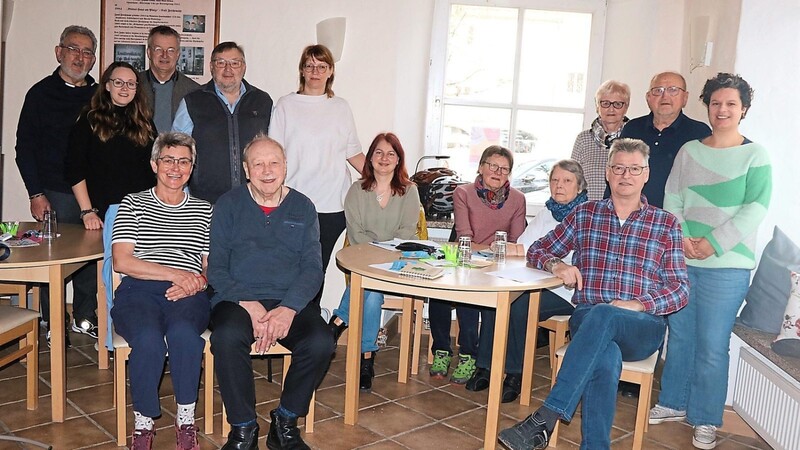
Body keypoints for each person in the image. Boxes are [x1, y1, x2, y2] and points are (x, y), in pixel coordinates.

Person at [498, 138, 689, 450]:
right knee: (605, 351)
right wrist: (557, 265)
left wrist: (638, 304)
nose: (626, 175)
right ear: (608, 174)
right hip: (589, 318)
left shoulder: (665, 223)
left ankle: (545, 417)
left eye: (634, 169)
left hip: (641, 326)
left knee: (606, 314)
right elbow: (539, 249)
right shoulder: (585, 214)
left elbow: (680, 290)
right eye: (618, 168)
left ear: (646, 174)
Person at [650, 73, 772, 450]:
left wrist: (714, 244)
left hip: (728, 268)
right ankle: (673, 402)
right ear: (707, 106)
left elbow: (755, 209)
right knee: (680, 336)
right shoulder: (689, 151)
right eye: (716, 103)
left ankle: (705, 418)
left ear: (744, 110)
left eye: (731, 104)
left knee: (713, 345)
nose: (722, 110)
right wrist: (684, 239)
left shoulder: (756, 155)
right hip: (684, 260)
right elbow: (673, 198)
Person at [208, 135, 333, 450]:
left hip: (288, 299)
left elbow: (312, 269)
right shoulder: (228, 204)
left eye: (274, 162)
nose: (267, 170)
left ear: (286, 166)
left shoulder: (303, 206)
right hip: (237, 299)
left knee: (321, 342)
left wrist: (289, 309)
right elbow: (217, 269)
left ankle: (285, 421)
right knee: (225, 337)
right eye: (258, 163)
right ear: (246, 170)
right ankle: (244, 428)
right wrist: (249, 306)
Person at [110, 132, 213, 450]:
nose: (176, 167)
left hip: (188, 294)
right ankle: (143, 423)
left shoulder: (204, 209)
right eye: (168, 159)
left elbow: (210, 265)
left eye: (184, 161)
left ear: (192, 167)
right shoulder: (133, 202)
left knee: (184, 334)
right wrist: (177, 275)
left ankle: (185, 419)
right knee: (148, 339)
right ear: (155, 164)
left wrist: (199, 281)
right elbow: (122, 261)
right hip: (138, 290)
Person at [467, 160, 589, 403]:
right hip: (534, 280)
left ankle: (515, 374)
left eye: (566, 181)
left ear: (579, 187)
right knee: (497, 294)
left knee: (518, 304)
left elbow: (568, 259)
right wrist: (499, 247)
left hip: (566, 291)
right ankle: (486, 366)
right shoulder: (547, 212)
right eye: (555, 180)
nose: (559, 186)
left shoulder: (587, 215)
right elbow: (526, 246)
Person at [14, 25, 99, 345]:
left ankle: (85, 316)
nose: (80, 57)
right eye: (74, 49)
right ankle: (52, 322)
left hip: (93, 193)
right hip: (55, 193)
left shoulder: (99, 95)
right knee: (56, 261)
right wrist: (36, 193)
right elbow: (25, 147)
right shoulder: (40, 93)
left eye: (87, 51)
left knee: (92, 257)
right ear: (59, 52)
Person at [66, 61, 157, 350]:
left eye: (131, 83)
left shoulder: (144, 121)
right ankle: (107, 334)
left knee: (139, 274)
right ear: (106, 85)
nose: (125, 88)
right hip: (105, 214)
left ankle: (141, 331)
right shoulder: (90, 119)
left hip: (140, 213)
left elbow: (153, 170)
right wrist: (87, 211)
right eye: (118, 82)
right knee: (108, 276)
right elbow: (74, 170)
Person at [327, 132, 421, 391]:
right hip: (364, 262)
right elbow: (356, 233)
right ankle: (366, 357)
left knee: (369, 283)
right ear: (370, 157)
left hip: (397, 264)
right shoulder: (357, 191)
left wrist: (379, 252)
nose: (384, 158)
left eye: (391, 153)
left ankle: (337, 323)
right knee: (371, 291)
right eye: (379, 152)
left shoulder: (409, 192)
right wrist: (376, 252)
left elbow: (405, 234)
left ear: (399, 159)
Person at [428, 146, 526, 385]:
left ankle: (468, 355)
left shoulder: (517, 199)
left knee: (470, 297)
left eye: (504, 169)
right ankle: (441, 349)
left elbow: (516, 242)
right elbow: (464, 236)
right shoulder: (463, 193)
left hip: (496, 266)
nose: (497, 172)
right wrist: (492, 247)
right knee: (439, 292)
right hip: (462, 258)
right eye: (492, 166)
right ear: (481, 167)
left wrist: (492, 251)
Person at [269, 44, 366, 283]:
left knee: (316, 271)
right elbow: (273, 156)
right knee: (290, 269)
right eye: (310, 65)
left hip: (332, 205)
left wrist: (391, 182)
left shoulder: (340, 107)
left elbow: (354, 154)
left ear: (331, 71)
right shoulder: (285, 105)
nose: (315, 71)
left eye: (321, 66)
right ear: (302, 70)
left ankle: (310, 318)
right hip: (293, 202)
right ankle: (290, 318)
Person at [173, 41, 272, 203]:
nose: (228, 69)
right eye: (221, 63)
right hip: (204, 199)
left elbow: (272, 150)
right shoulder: (193, 101)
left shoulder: (262, 101)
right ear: (211, 67)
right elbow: (178, 150)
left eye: (234, 63)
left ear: (243, 67)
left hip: (253, 198)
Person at [618, 71, 711, 209]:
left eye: (673, 90)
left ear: (685, 97)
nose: (665, 96)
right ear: (648, 97)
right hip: (633, 215)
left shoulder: (700, 132)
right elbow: (617, 171)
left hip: (678, 218)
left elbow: (705, 183)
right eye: (658, 90)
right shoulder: (632, 128)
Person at [571, 80, 630, 200]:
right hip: (589, 212)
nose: (611, 109)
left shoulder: (634, 140)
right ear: (597, 106)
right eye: (605, 103)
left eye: (618, 104)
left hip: (625, 212)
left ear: (626, 107)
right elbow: (571, 180)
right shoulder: (583, 139)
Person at [138, 26, 200, 133]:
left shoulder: (194, 91)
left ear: (177, 54)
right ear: (149, 53)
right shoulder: (133, 85)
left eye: (171, 50)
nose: (164, 55)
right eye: (158, 49)